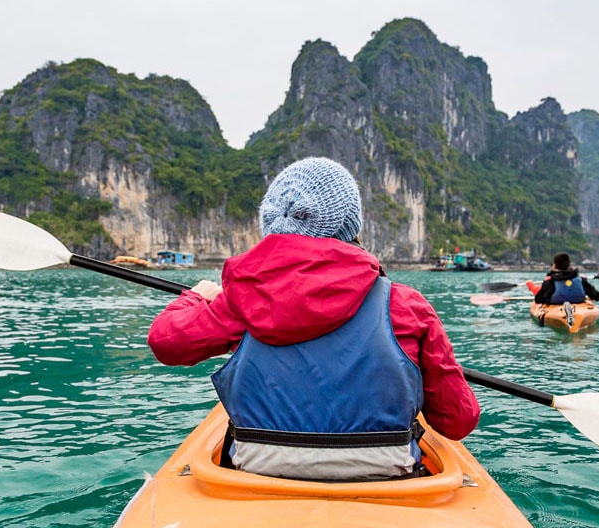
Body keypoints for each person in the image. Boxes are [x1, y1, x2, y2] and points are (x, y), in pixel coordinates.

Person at [147, 157, 480, 481]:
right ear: (350, 225)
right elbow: (458, 421)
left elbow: (165, 342)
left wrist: (196, 297)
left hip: (257, 476)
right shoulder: (407, 305)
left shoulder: (239, 300)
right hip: (387, 477)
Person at [532, 252, 599, 305]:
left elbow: (538, 299)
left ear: (554, 266)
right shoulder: (581, 280)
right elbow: (597, 296)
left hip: (556, 306)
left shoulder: (550, 282)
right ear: (569, 265)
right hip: (577, 305)